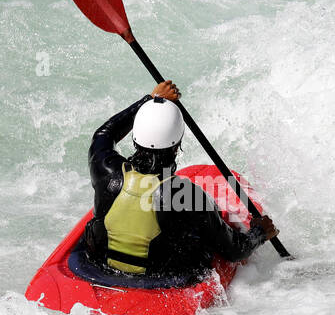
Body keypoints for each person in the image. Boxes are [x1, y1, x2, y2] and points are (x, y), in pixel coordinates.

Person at [83, 81, 278, 281]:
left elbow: (104, 134)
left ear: (134, 137)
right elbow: (234, 251)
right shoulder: (186, 194)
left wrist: (150, 99)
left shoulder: (104, 169)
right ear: (177, 146)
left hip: (100, 265)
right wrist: (259, 233)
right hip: (160, 276)